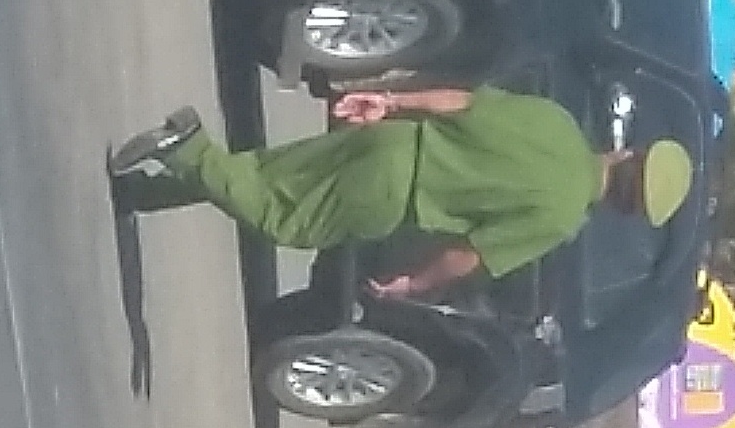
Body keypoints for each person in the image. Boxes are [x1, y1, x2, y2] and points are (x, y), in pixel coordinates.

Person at [108, 91, 695, 297]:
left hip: (395, 141)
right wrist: (414, 282)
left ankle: (144, 190)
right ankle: (189, 147)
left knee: (267, 171)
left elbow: (462, 100)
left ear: (628, 153)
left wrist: (389, 102)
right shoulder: (561, 217)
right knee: (284, 221)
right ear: (624, 207)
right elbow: (469, 253)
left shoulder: (557, 122)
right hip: (395, 195)